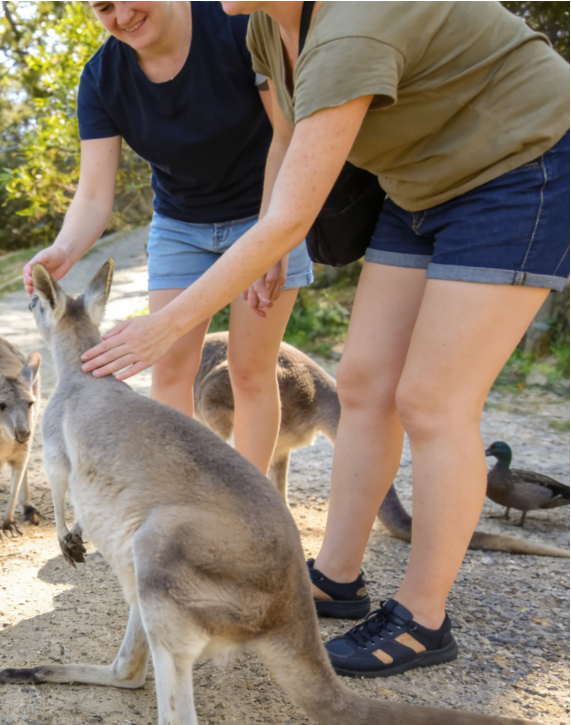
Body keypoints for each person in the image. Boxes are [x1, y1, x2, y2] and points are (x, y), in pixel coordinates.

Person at [81, 0, 569, 677]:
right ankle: (337, 579)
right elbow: (285, 140)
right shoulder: (261, 27)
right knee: (365, 383)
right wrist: (275, 230)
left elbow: (290, 219)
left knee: (432, 400)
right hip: (417, 184)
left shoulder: (352, 28)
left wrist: (166, 322)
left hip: (517, 168)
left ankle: (423, 619)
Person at [22, 0, 311, 477]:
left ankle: (252, 502)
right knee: (171, 367)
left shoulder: (236, 24)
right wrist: (64, 250)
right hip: (180, 225)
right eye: (103, 7)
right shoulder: (101, 79)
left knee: (249, 369)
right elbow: (94, 196)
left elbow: (287, 134)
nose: (121, 16)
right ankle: (179, 498)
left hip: (265, 212)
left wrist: (271, 239)